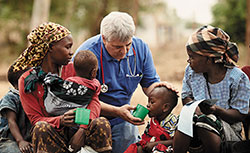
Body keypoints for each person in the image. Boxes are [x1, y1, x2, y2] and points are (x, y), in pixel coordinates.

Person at [63, 11, 176, 153]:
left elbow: (150, 84)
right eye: (117, 47)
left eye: (128, 45)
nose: (124, 51)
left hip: (123, 121)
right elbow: (81, 100)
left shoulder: (141, 49)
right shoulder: (87, 54)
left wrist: (162, 89)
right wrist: (117, 111)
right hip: (89, 120)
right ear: (104, 39)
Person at [12, 22, 112, 153]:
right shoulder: (28, 81)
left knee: (101, 123)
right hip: (53, 134)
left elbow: (93, 99)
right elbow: (36, 119)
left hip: (80, 129)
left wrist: (82, 129)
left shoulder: (75, 69)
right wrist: (61, 120)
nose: (71, 53)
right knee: (41, 128)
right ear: (51, 47)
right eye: (67, 47)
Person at [173, 25, 250, 153]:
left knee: (206, 120)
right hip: (196, 122)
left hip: (228, 132)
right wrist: (193, 108)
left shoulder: (237, 78)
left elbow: (240, 114)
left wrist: (216, 110)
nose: (188, 61)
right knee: (186, 120)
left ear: (209, 58)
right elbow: (186, 96)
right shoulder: (191, 71)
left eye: (192, 57)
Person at [124, 85, 178, 153]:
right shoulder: (153, 120)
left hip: (165, 149)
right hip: (151, 147)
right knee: (136, 148)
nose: (148, 105)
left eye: (152, 102)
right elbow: (147, 136)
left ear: (165, 107)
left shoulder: (172, 122)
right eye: (148, 102)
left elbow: (175, 142)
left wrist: (154, 144)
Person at [0, 66, 32, 153]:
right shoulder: (11, 98)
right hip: (10, 139)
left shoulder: (32, 97)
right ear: (22, 80)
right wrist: (20, 141)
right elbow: (11, 121)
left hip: (27, 139)